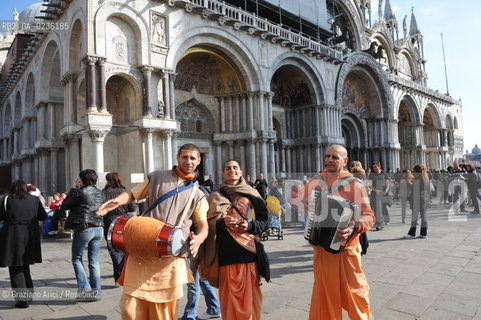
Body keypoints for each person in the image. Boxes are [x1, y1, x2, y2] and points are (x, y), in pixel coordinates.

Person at [96, 143, 209, 319]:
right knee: (130, 307)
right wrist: (118, 200)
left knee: (164, 311)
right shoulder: (157, 177)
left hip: (170, 257)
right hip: (142, 249)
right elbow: (133, 194)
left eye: (192, 158)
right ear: (177, 158)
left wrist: (200, 238)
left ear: (199, 161)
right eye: (185, 157)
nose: (188, 161)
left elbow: (203, 225)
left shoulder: (198, 194)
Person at [308, 145, 375, 319]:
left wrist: (354, 226)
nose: (329, 160)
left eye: (335, 157)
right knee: (325, 296)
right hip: (322, 250)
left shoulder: (354, 184)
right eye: (327, 156)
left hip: (347, 249)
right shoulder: (316, 181)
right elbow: (305, 203)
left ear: (344, 161)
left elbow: (369, 216)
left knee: (356, 294)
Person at [201, 160, 268, 320]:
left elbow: (265, 221)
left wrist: (250, 226)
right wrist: (222, 223)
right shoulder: (214, 196)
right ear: (223, 173)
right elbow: (204, 224)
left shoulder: (252, 193)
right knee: (229, 304)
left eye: (235, 167)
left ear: (241, 171)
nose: (232, 170)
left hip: (248, 253)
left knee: (249, 304)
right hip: (225, 256)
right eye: (228, 168)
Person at [0, 180, 48, 308]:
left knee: (15, 266)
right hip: (30, 235)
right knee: (25, 264)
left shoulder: (7, 199)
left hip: (13, 235)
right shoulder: (35, 199)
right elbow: (43, 216)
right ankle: (29, 292)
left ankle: (22, 300)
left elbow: (1, 216)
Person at [61, 169, 106, 301]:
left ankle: (85, 290)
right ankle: (96, 292)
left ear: (82, 180)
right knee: (94, 261)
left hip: (84, 228)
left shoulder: (80, 192)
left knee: (76, 258)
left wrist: (73, 189)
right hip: (98, 227)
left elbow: (64, 205)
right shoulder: (100, 192)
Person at [102, 172, 136, 285]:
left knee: (113, 249)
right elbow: (132, 208)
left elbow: (103, 209)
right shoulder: (125, 191)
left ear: (108, 181)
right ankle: (126, 274)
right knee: (125, 248)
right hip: (125, 222)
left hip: (110, 223)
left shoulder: (104, 193)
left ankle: (119, 276)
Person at [402, 165, 430, 239]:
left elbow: (415, 188)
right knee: (424, 216)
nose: (414, 173)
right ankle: (424, 233)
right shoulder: (425, 177)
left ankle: (412, 233)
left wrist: (409, 182)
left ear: (417, 172)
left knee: (414, 217)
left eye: (414, 171)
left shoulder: (418, 178)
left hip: (418, 199)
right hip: (425, 198)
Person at [368, 162, 390, 230]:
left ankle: (384, 220)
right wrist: (376, 190)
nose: (374, 168)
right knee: (377, 208)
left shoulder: (384, 174)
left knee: (383, 207)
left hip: (383, 193)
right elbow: (370, 185)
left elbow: (387, 183)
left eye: (375, 167)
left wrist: (386, 190)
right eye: (373, 167)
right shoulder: (371, 175)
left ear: (379, 166)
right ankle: (380, 224)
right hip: (375, 193)